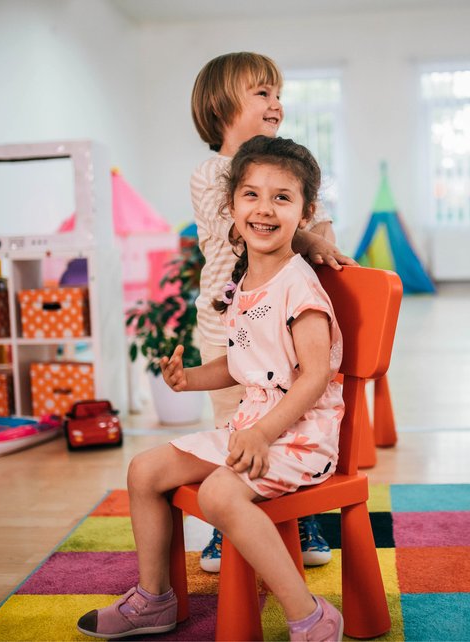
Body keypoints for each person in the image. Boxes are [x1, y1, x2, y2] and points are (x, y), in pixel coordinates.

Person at [77, 136, 345, 641]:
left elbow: (313, 377)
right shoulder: (245, 283)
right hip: (252, 427)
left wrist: (264, 433)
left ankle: (311, 615)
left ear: (304, 214)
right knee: (144, 469)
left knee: (222, 492)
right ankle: (154, 600)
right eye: (251, 195)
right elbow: (245, 364)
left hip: (300, 436)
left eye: (282, 198)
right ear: (231, 206)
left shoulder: (300, 287)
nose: (264, 209)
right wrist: (188, 380)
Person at [190, 51, 351, 572]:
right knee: (236, 427)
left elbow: (320, 227)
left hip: (279, 328)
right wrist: (306, 233)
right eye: (262, 93)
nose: (275, 103)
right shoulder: (212, 174)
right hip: (227, 331)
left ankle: (296, 513)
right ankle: (227, 525)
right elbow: (242, 230)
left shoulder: (284, 169)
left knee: (287, 424)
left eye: (277, 93)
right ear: (221, 108)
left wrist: (317, 234)